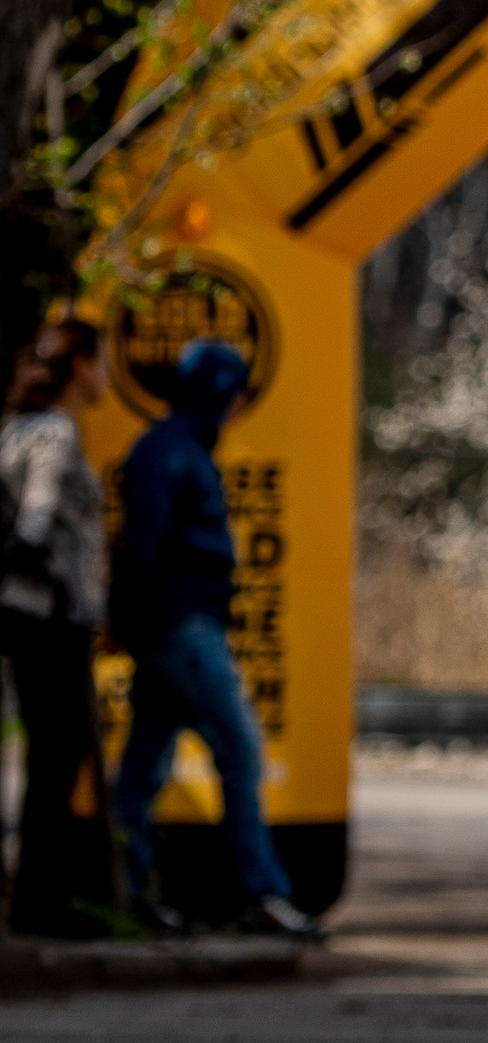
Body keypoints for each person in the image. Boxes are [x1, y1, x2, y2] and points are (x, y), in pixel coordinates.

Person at [108, 339, 317, 941]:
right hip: (181, 628)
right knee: (240, 748)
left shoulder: (176, 449)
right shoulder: (170, 454)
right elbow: (142, 546)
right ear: (224, 393)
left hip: (171, 628)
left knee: (144, 766)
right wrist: (135, 623)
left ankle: (132, 890)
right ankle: (263, 892)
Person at [0, 319, 116, 936]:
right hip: (50, 619)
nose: (107, 376)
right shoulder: (56, 434)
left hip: (28, 617)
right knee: (54, 759)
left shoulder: (17, 427)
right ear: (81, 366)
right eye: (102, 362)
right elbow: (38, 518)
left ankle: (37, 900)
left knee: (47, 757)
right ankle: (41, 905)